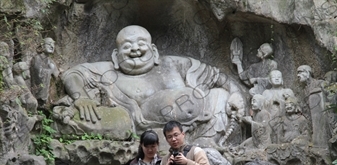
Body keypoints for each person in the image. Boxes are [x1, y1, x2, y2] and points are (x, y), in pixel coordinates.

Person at [61, 25, 245, 147]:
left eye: (141, 44)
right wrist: (81, 97)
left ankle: (207, 145)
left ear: (154, 51)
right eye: (127, 46)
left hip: (198, 129)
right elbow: (73, 74)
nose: (134, 49)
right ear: (116, 56)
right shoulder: (109, 72)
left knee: (220, 95)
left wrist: (236, 93)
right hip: (147, 135)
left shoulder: (173, 64)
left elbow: (218, 77)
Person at [30, 37, 60, 108]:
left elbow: (57, 75)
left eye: (53, 44)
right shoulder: (37, 58)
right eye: (49, 44)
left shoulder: (51, 61)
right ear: (43, 46)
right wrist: (50, 70)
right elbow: (37, 73)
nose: (52, 46)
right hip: (38, 91)